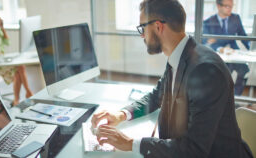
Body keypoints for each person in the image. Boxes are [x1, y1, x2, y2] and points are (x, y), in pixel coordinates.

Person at [91, 0, 253, 157]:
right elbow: (157, 96)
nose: (142, 36)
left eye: (142, 28)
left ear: (158, 26)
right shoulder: (180, 56)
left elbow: (194, 150)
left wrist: (130, 143)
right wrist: (121, 115)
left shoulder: (204, 70)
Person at [203, 0, 250, 96]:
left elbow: (243, 36)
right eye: (227, 6)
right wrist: (220, 48)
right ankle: (221, 98)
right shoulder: (208, 22)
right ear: (218, 6)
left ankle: (235, 97)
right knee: (222, 76)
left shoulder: (236, 18)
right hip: (219, 55)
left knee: (245, 70)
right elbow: (206, 42)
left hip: (233, 53)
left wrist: (250, 49)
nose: (230, 9)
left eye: (232, 6)